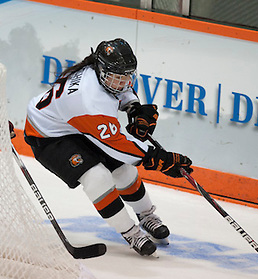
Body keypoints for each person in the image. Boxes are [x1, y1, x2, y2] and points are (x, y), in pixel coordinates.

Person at [24, 38, 193, 256]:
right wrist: (158, 158)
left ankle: (147, 215)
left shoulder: (102, 72)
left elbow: (120, 89)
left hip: (75, 125)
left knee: (123, 170)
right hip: (48, 136)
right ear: (102, 70)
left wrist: (133, 108)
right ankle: (130, 232)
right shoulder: (88, 100)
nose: (123, 81)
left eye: (127, 75)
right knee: (97, 177)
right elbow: (117, 145)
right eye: (117, 77)